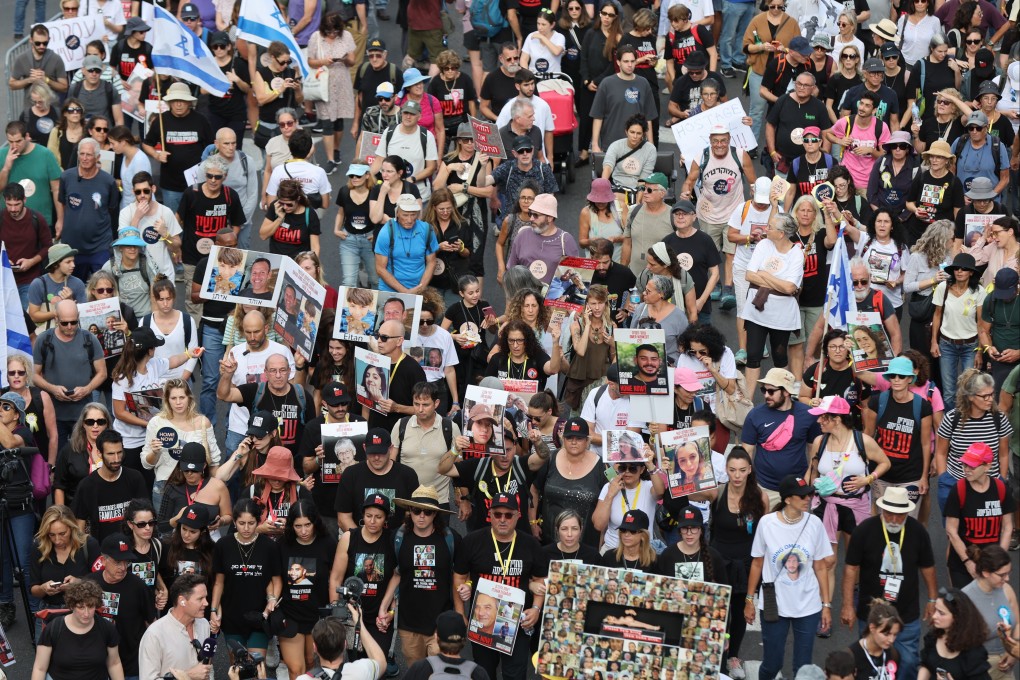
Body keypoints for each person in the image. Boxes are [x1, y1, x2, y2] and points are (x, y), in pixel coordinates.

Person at [745, 475, 835, 680]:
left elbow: (821, 567)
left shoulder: (815, 523)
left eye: (810, 494)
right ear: (787, 499)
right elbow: (757, 563)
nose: (808, 498)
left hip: (809, 606)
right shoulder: (767, 524)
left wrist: (826, 605)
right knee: (771, 664)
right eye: (802, 495)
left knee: (803, 667)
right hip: (774, 604)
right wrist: (749, 600)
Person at [842, 487, 937, 680]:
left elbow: (928, 568)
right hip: (870, 614)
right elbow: (851, 568)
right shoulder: (865, 530)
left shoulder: (918, 532)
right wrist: (847, 605)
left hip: (906, 614)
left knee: (909, 661)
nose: (893, 520)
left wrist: (933, 599)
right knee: (871, 663)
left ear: (907, 512)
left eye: (899, 515)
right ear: (882, 510)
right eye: (889, 514)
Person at [453, 494, 547, 679]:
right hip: (483, 620)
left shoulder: (530, 544)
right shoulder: (472, 541)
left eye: (508, 515)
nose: (502, 519)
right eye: (497, 514)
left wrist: (536, 608)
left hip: (517, 622)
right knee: (484, 673)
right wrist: (459, 612)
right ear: (490, 515)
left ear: (518, 515)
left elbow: (541, 579)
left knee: (515, 674)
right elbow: (459, 576)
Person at [382, 486, 462, 666]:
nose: (421, 516)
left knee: (440, 673)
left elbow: (462, 573)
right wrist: (384, 607)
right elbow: (397, 574)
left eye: (427, 512)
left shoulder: (451, 539)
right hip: (408, 624)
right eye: (416, 510)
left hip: (441, 623)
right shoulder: (398, 538)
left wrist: (466, 592)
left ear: (435, 514)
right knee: (416, 671)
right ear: (410, 511)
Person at [209, 498, 282, 659]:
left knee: (256, 667)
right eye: (242, 523)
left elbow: (276, 579)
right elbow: (218, 582)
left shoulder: (269, 546)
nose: (247, 528)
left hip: (260, 616)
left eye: (251, 523)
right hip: (232, 616)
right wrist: (214, 610)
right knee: (238, 668)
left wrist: (272, 601)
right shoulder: (223, 545)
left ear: (258, 521)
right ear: (234, 521)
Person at [742, 368, 823, 510]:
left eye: (771, 391)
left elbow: (813, 452)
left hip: (797, 488)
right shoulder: (755, 415)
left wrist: (808, 480)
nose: (766, 395)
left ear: (786, 392)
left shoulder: (808, 415)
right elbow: (746, 452)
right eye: (764, 390)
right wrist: (749, 485)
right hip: (764, 488)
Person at [33, 298, 108, 449]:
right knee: (59, 458)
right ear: (56, 319)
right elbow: (34, 375)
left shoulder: (89, 338)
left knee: (85, 458)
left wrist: (87, 389)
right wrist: (52, 389)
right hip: (54, 414)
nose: (70, 327)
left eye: (74, 322)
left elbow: (102, 373)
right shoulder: (44, 339)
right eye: (65, 323)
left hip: (83, 414)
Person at [935, 369, 1013, 513]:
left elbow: (1003, 454)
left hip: (990, 485)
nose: (990, 399)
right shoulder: (952, 418)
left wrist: (1001, 480)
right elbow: (941, 453)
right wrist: (944, 479)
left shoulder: (999, 419)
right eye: (985, 396)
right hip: (956, 483)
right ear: (970, 397)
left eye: (992, 394)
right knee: (954, 531)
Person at [328, 493, 397, 654]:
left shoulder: (392, 540)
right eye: (368, 516)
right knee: (353, 664)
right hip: (351, 614)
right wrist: (335, 613)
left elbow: (396, 577)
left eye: (378, 517)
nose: (372, 521)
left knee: (378, 666)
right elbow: (336, 578)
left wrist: (390, 612)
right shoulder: (349, 538)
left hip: (379, 616)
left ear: (386, 518)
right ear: (362, 515)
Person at [84, 533, 157, 679]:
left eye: (126, 562)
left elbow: (152, 623)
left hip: (131, 664)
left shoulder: (138, 586)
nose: (123, 568)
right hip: (97, 664)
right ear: (104, 560)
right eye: (118, 562)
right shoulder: (89, 584)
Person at [945, 442, 1016, 587]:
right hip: (963, 564)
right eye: (964, 465)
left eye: (972, 466)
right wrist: (967, 562)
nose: (966, 470)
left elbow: (1007, 527)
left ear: (987, 466)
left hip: (991, 564)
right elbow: (951, 531)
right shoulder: (958, 490)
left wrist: (999, 558)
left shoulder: (1000, 489)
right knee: (964, 606)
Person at [530, 418, 608, 547]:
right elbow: (534, 490)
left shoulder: (602, 465)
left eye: (579, 438)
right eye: (569, 437)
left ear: (588, 440)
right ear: (563, 439)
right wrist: (533, 522)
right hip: (550, 542)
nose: (574, 442)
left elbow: (613, 492)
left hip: (585, 545)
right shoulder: (551, 459)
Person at [31, 579, 125, 680]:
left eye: (90, 607)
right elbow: (40, 668)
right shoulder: (54, 628)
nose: (86, 613)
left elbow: (114, 664)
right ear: (72, 606)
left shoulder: (107, 628)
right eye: (81, 607)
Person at [57, 138, 120, 281]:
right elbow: (61, 202)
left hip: (100, 247)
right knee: (73, 291)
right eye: (82, 154)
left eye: (89, 155)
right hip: (72, 248)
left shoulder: (108, 181)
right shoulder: (66, 177)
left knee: (104, 289)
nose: (84, 158)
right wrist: (60, 221)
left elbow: (112, 210)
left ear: (98, 157)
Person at [72, 429, 149, 543]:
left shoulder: (135, 478)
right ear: (99, 453)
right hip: (102, 551)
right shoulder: (87, 485)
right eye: (111, 454)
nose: (117, 459)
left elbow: (145, 515)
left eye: (119, 452)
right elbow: (79, 524)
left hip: (133, 548)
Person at [138, 573, 213, 680]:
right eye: (200, 599)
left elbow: (206, 666)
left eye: (206, 597)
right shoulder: (154, 635)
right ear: (182, 600)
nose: (206, 603)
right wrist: (188, 676)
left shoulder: (204, 624)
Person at [962, 546, 1018, 680]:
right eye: (1002, 575)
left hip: (1007, 666)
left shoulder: (1006, 589)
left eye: (1008, 573)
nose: (1007, 579)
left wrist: (1013, 652)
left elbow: (1018, 622)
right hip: (980, 667)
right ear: (986, 572)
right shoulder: (965, 599)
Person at [590, 46, 657, 153]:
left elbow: (648, 117)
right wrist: (594, 144)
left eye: (632, 61)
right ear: (618, 62)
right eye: (626, 61)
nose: (630, 65)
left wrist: (651, 144)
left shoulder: (643, 83)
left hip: (638, 146)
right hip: (611, 145)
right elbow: (598, 116)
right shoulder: (606, 83)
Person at [918, 589, 991, 680]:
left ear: (957, 617)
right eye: (935, 610)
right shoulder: (933, 637)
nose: (934, 616)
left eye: (941, 613)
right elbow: (926, 665)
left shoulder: (974, 653)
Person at [506, 193, 579, 284]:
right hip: (524, 296)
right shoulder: (522, 235)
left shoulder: (566, 240)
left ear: (549, 218)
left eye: (536, 215)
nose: (531, 218)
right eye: (530, 214)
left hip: (551, 297)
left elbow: (575, 273)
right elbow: (511, 270)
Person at [1, 181, 53, 307]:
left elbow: (48, 247)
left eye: (17, 204)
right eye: (9, 204)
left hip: (29, 279)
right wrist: (4, 260)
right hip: (4, 280)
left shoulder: (36, 218)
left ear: (24, 199)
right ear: (4, 201)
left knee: (27, 320)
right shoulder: (1, 218)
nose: (13, 209)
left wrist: (31, 261)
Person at [205, 129, 257, 249]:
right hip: (216, 222)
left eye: (233, 143)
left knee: (241, 257)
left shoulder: (247, 161)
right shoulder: (207, 165)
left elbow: (253, 194)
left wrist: (241, 220)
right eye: (226, 143)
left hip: (243, 220)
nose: (231, 147)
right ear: (217, 144)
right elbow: (202, 195)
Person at [296, 615, 386, 680]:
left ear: (314, 647)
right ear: (345, 645)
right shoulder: (361, 670)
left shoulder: (303, 678)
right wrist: (359, 623)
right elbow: (381, 661)